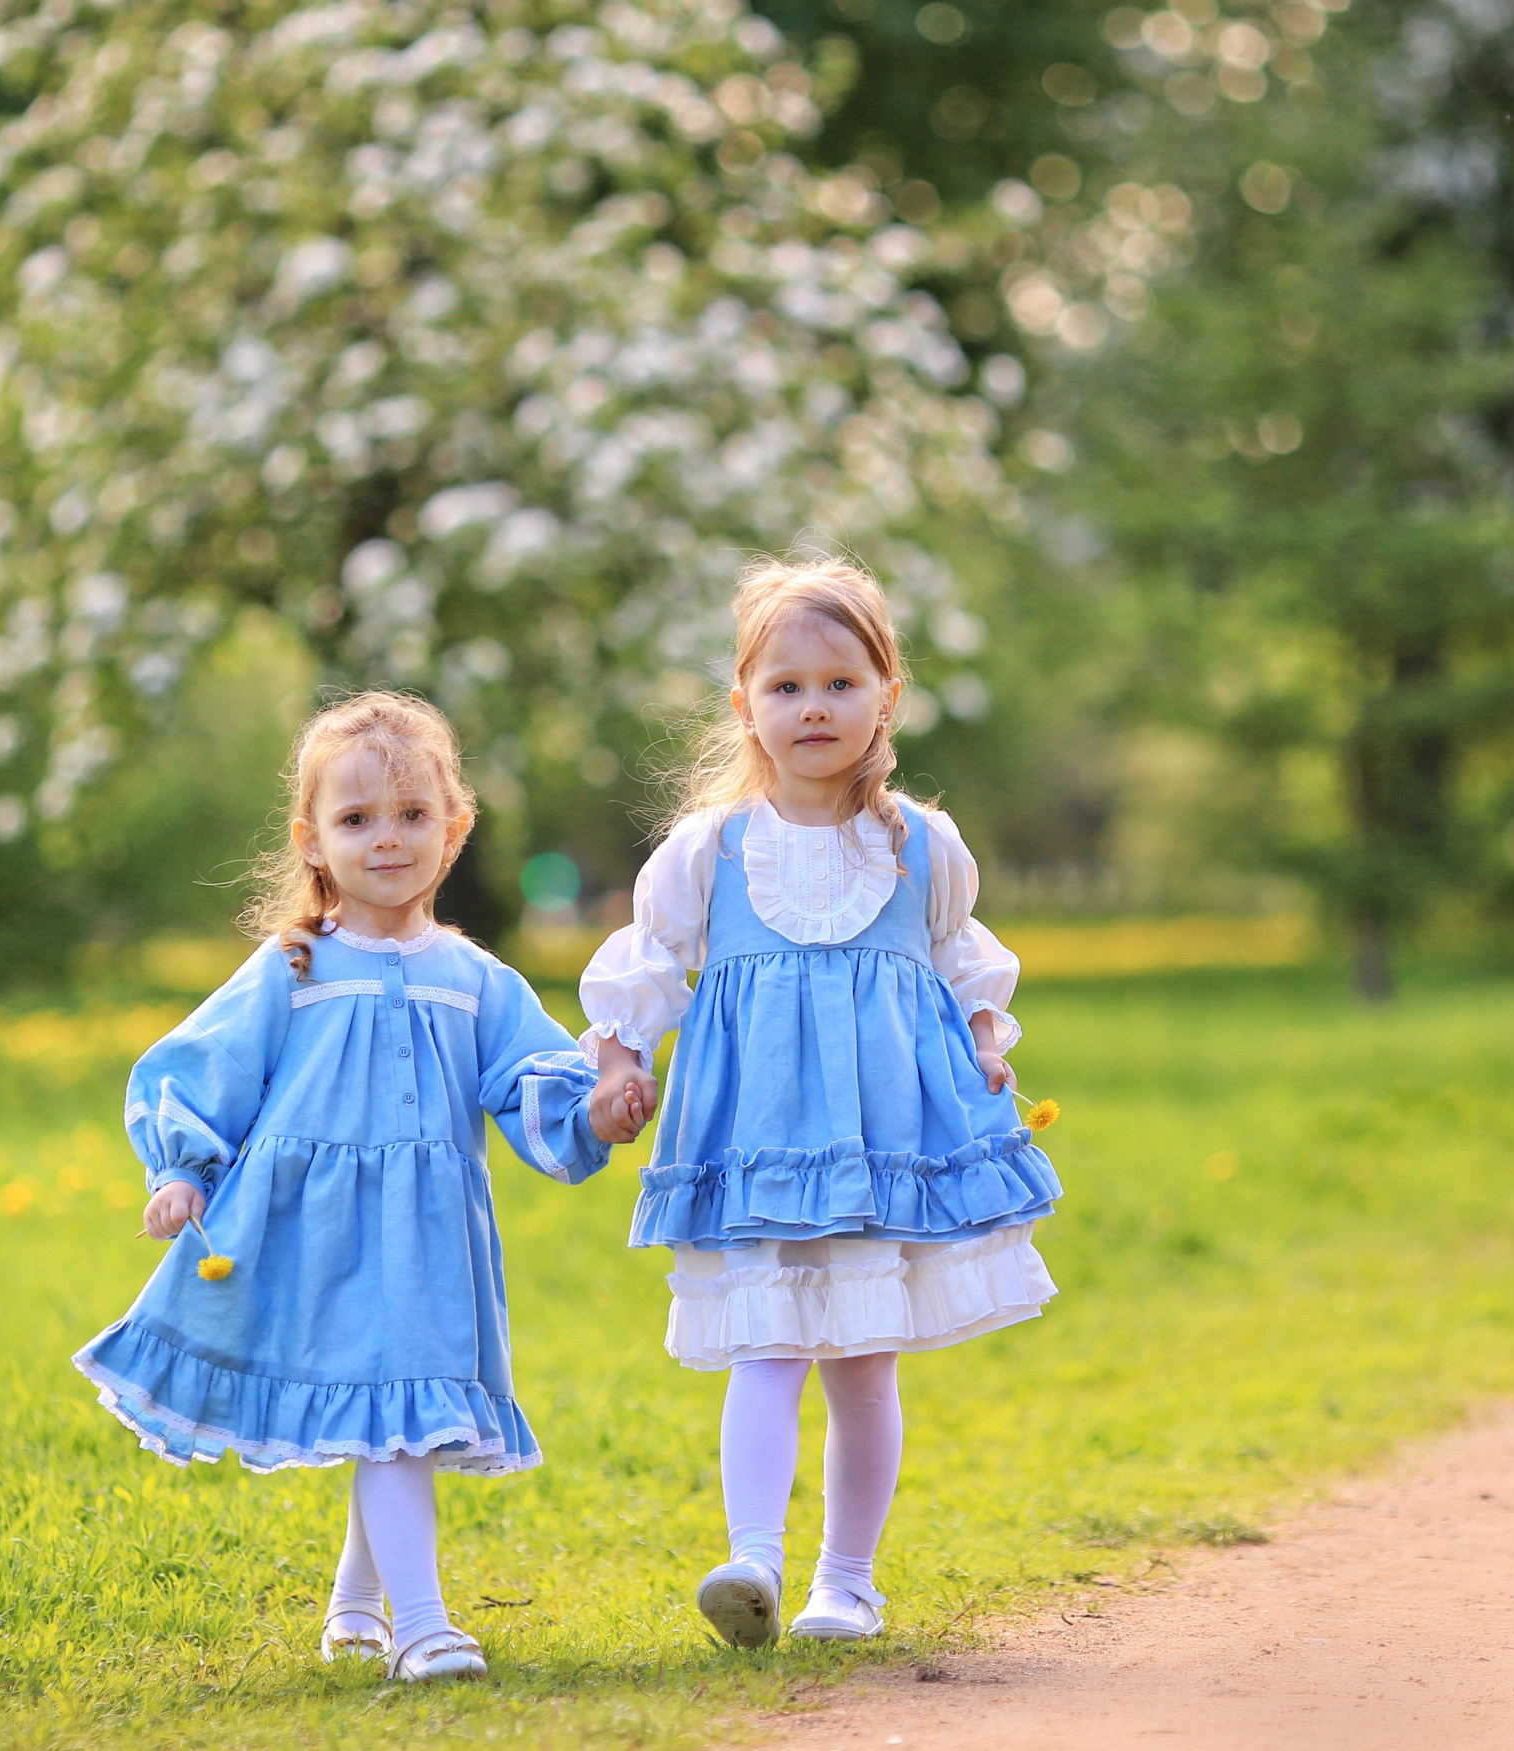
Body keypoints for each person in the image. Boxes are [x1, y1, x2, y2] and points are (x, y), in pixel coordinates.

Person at [74, 692, 623, 1683]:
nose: (387, 838)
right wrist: (181, 1169)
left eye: (413, 814)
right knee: (387, 1410)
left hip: (423, 1241)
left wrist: (595, 1112)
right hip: (312, 1234)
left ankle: (359, 1605)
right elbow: (198, 1068)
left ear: (454, 830)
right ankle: (420, 1625)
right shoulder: (292, 968)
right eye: (357, 818)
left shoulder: (475, 978)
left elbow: (535, 1080)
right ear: (314, 839)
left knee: (393, 1411)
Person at [580, 554, 1061, 1648]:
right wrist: (617, 1064)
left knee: (858, 1355)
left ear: (887, 696)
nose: (813, 707)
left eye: (840, 683)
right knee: (764, 1342)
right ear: (743, 703)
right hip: (756, 1142)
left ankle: (845, 1580)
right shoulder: (710, 850)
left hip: (880, 1137)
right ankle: (752, 1556)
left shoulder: (920, 846)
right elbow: (644, 967)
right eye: (786, 685)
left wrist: (989, 1040)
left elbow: (962, 961)